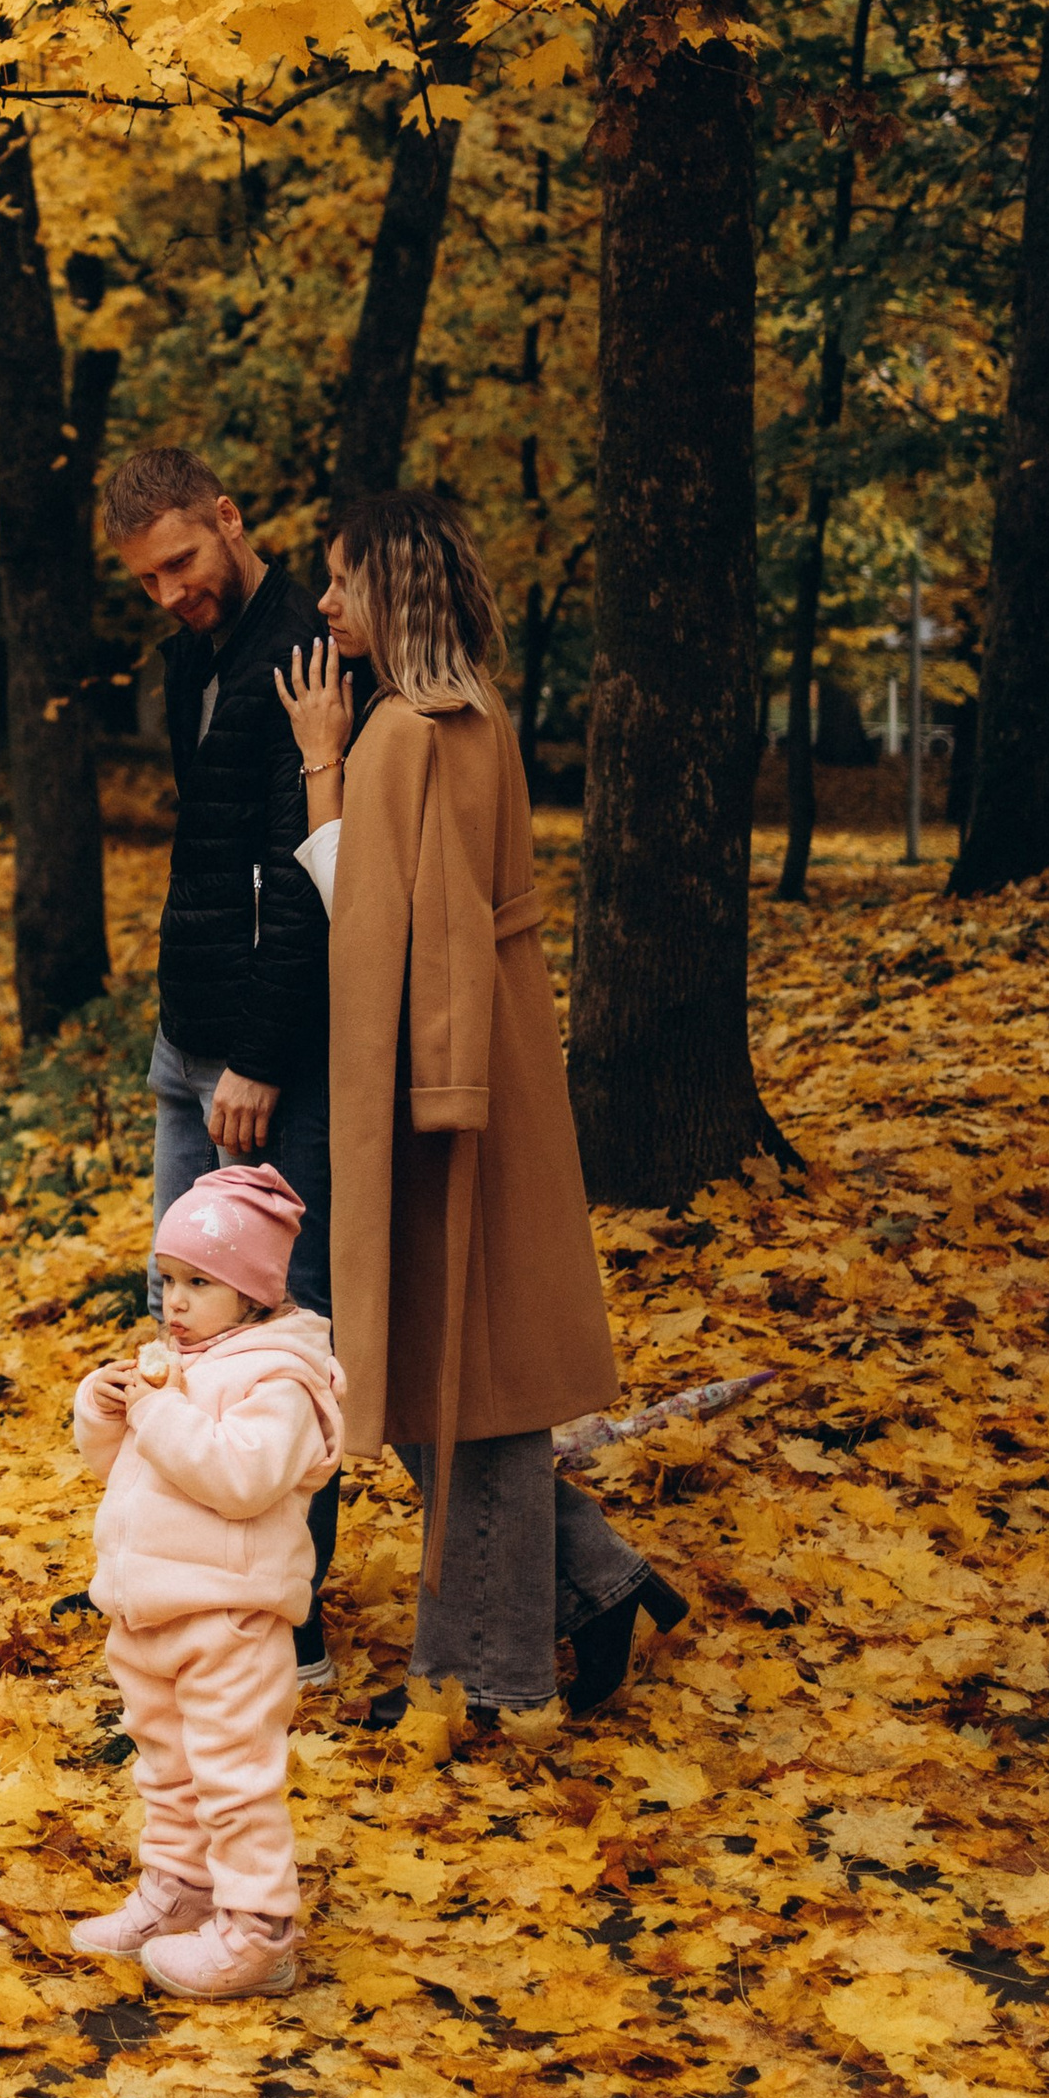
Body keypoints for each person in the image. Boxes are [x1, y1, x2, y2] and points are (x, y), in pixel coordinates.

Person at [276, 489, 687, 1721]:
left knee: (467, 1377)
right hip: (476, 1050)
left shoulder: (407, 730)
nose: (326, 602)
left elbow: (379, 917)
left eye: (344, 580)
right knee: (449, 1366)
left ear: (394, 588)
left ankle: (486, 1677)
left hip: (442, 1077)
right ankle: (596, 1589)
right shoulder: (464, 712)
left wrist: (316, 762)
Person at [102, 447, 341, 1680]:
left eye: (181, 564)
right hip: (181, 1037)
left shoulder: (305, 648)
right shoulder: (189, 653)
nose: (169, 594)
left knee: (274, 1342)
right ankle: (199, 1598)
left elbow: (308, 872)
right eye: (145, 580)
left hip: (264, 1058)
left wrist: (258, 1056)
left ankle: (287, 1637)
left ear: (231, 520)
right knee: (177, 1328)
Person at [68, 1165, 344, 2000]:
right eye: (168, 1281)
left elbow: (240, 1477)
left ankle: (259, 1930)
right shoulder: (182, 1361)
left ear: (255, 1292)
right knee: (168, 1769)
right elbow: (117, 1463)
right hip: (148, 1611)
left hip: (228, 1619)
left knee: (233, 1781)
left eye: (199, 1283)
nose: (174, 1302)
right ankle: (181, 1893)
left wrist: (157, 1410)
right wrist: (106, 1405)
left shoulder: (280, 1379)